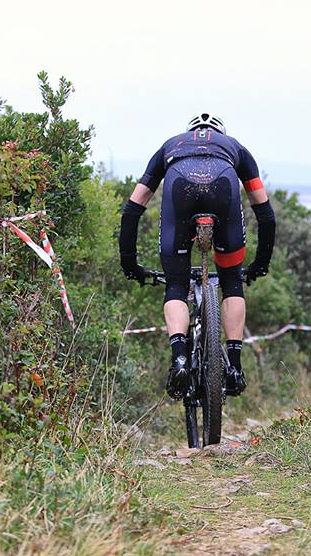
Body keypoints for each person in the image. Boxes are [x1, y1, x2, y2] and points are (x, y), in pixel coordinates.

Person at [118, 113, 276, 398]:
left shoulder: (169, 146)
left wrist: (129, 262)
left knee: (176, 285)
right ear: (220, 133)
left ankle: (180, 357)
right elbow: (264, 213)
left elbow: (133, 207)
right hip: (223, 184)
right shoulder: (235, 147)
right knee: (231, 282)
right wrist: (259, 264)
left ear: (189, 133)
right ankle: (235, 367)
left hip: (179, 185)